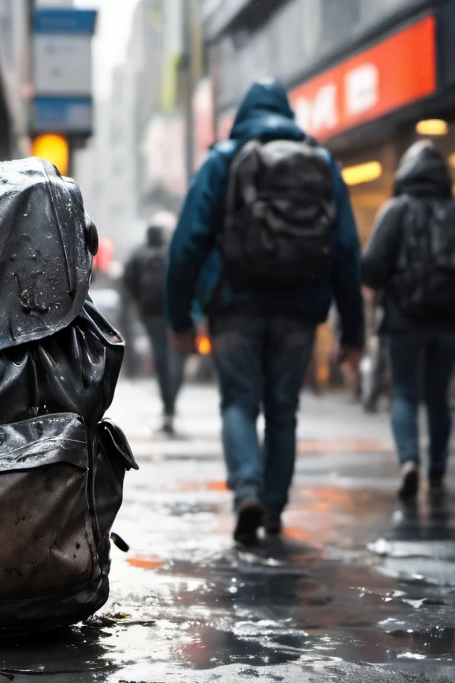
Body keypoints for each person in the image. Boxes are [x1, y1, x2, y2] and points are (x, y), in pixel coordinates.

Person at [165, 79, 364, 545]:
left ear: (242, 116)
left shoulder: (224, 159)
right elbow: (347, 250)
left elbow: (187, 243)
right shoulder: (323, 163)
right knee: (283, 409)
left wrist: (180, 318)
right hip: (300, 306)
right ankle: (273, 508)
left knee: (238, 401)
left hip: (236, 303)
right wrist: (352, 331)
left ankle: (248, 490)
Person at [362, 141, 455, 498]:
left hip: (405, 317)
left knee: (404, 391)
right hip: (452, 320)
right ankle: (437, 470)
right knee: (438, 396)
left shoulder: (396, 210)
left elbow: (371, 267)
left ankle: (409, 461)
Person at [124, 214, 186, 435]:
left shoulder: (139, 254)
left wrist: (138, 304)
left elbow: (127, 280)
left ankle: (168, 402)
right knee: (176, 357)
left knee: (161, 357)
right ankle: (171, 400)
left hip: (151, 314)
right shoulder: (172, 252)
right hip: (173, 311)